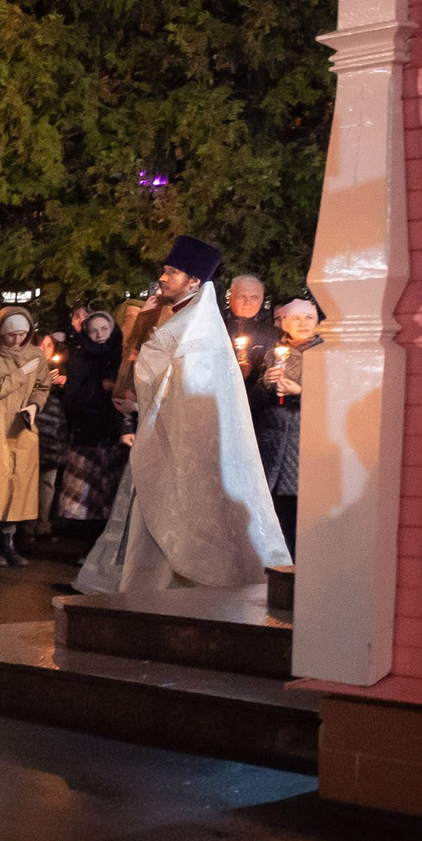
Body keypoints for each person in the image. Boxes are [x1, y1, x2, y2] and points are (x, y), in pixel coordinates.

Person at [77, 236, 289, 594]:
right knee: (157, 519)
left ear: (194, 281)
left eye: (172, 272)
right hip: (165, 438)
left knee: (187, 520)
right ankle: (149, 593)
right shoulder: (179, 318)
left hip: (186, 445)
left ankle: (177, 594)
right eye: (164, 269)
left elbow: (187, 393)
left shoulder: (196, 330)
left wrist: (139, 401)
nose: (163, 277)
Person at [0, 305, 60, 567]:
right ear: (0, 332)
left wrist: (34, 406)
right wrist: (20, 374)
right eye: (11, 335)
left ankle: (9, 542)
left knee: (18, 484)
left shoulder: (35, 355)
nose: (17, 340)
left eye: (22, 334)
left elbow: (43, 386)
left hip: (23, 425)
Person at [251, 297, 317, 556]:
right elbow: (255, 403)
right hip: (272, 448)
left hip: (303, 447)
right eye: (296, 318)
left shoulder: (326, 353)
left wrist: (301, 392)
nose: (303, 323)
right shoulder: (271, 354)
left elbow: (334, 400)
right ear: (285, 323)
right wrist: (265, 384)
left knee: (299, 519)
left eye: (309, 318)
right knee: (273, 517)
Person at [54, 309, 127, 538]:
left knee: (109, 493)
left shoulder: (121, 356)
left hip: (114, 433)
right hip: (88, 433)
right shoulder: (81, 359)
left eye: (104, 329)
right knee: (87, 496)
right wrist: (100, 388)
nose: (99, 335)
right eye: (94, 330)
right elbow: (72, 398)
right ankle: (84, 542)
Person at [224, 273, 277, 377]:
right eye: (242, 296)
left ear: (262, 300)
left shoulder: (272, 333)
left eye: (254, 297)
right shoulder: (216, 325)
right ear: (230, 298)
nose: (248, 302)